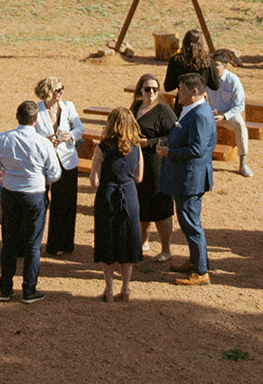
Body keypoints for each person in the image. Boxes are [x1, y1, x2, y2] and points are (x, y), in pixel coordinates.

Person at [0, 100, 62, 302]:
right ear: (36, 120)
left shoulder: (3, 139)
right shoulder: (43, 143)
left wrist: (0, 191)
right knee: (32, 244)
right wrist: (41, 178)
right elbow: (55, 173)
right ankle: (29, 288)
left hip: (10, 193)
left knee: (9, 242)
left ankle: (5, 288)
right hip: (34, 194)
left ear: (17, 117)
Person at [158, 72, 216, 286]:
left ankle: (201, 271)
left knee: (191, 224)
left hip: (190, 179)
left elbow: (197, 149)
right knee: (188, 221)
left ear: (194, 91)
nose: (177, 92)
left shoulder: (200, 114)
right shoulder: (192, 110)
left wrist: (169, 152)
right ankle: (195, 261)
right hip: (187, 177)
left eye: (181, 89)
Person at [90, 107, 145, 301]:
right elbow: (139, 177)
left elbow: (94, 180)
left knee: (107, 240)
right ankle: (127, 287)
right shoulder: (136, 147)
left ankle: (109, 288)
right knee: (127, 240)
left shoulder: (102, 147)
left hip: (108, 194)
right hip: (129, 194)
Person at [33, 76, 83, 256]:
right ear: (48, 91)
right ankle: (32, 243)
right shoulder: (36, 110)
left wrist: (71, 135)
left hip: (67, 160)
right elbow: (29, 133)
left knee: (65, 203)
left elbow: (80, 128)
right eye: (58, 89)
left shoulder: (68, 107)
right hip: (43, 162)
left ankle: (60, 244)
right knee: (39, 202)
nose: (61, 92)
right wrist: (44, 140)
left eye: (63, 89)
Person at [132, 73, 178, 263]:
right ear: (140, 90)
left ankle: (166, 248)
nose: (151, 92)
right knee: (141, 204)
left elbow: (174, 136)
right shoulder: (135, 108)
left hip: (157, 164)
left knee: (161, 207)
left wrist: (149, 142)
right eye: (147, 89)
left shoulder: (164, 110)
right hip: (137, 163)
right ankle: (143, 243)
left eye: (155, 89)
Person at [207, 49, 252, 177]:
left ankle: (243, 163)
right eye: (211, 64)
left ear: (224, 66)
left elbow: (239, 105)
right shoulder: (208, 78)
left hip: (228, 114)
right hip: (211, 113)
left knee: (239, 124)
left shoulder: (233, 80)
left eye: (215, 65)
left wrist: (224, 116)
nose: (213, 68)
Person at [164, 29, 219, 97]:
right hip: (199, 101)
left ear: (184, 42)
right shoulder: (207, 61)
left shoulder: (176, 60)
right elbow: (215, 85)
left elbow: (168, 86)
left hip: (183, 102)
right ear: (201, 43)